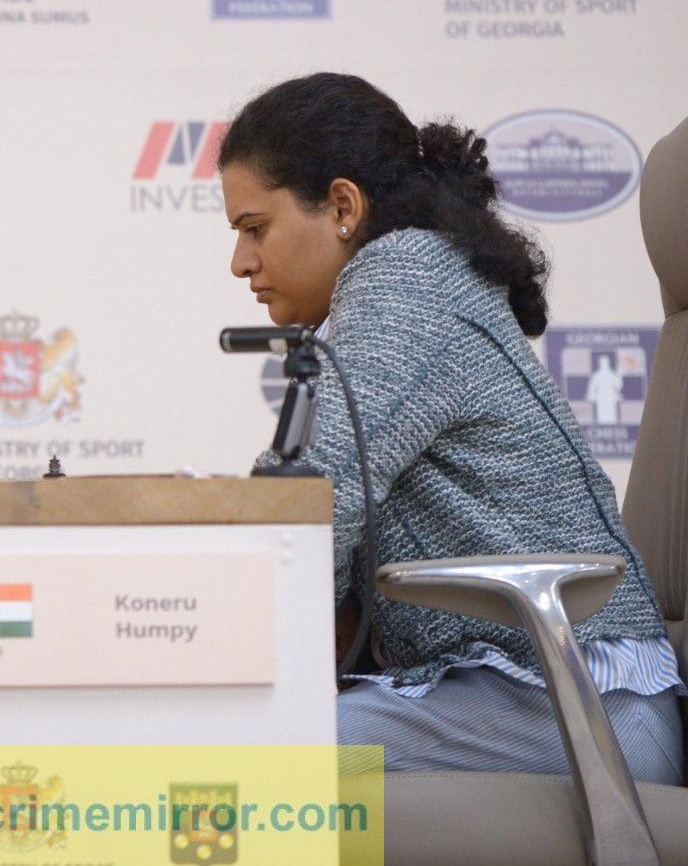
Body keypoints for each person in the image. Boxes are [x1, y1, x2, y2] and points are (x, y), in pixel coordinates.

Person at [218, 72, 683, 782]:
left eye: (255, 228)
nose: (240, 262)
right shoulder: (412, 280)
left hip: (587, 708)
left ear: (343, 206)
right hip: (534, 693)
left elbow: (313, 504)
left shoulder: (405, 279)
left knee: (227, 756)